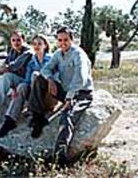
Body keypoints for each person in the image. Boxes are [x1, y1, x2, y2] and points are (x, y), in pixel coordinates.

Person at [28, 26, 94, 166]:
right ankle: (37, 116)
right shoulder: (58, 54)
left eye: (66, 40)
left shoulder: (78, 54)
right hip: (65, 91)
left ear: (72, 39)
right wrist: (50, 79)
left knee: (67, 114)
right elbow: (46, 69)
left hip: (81, 93)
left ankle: (60, 157)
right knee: (40, 79)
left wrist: (69, 98)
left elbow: (80, 79)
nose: (63, 43)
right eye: (60, 40)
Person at [0, 34, 52, 137]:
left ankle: (37, 117)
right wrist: (15, 89)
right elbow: (26, 81)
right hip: (33, 96)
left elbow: (55, 78)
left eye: (40, 44)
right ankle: (10, 120)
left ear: (45, 46)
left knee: (35, 75)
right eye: (34, 44)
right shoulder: (31, 62)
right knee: (22, 86)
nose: (37, 46)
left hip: (47, 95)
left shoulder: (51, 59)